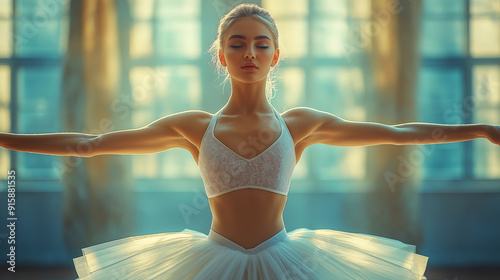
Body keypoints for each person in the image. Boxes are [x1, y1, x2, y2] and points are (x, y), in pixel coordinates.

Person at [1, 3, 499, 280]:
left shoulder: (301, 124)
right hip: (210, 259)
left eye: (261, 44)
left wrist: (479, 128)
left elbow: (395, 134)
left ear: (276, 55)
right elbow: (89, 143)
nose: (249, 53)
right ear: (220, 56)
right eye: (236, 44)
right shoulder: (192, 126)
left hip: (286, 258)